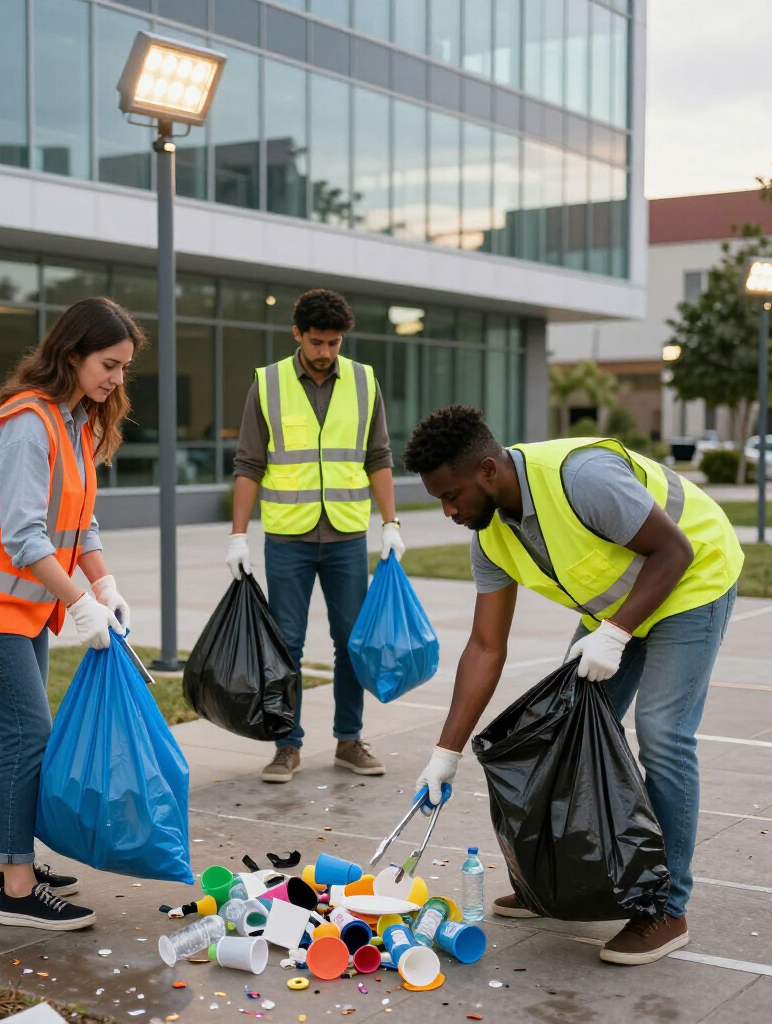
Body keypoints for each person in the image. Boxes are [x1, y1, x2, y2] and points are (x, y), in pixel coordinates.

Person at [404, 406, 742, 966]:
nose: (447, 511)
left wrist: (614, 634)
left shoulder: (580, 478)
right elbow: (486, 647)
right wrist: (445, 753)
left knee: (662, 735)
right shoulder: (489, 537)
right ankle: (561, 884)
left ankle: (665, 908)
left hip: (691, 581)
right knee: (558, 732)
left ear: (488, 471)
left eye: (451, 495)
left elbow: (675, 551)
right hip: (615, 606)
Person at [0, 297, 146, 931]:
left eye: (125, 367)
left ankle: (3, 864)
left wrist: (104, 585)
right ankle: (17, 895)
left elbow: (79, 518)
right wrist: (78, 602)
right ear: (71, 353)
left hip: (20, 604)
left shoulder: (71, 419)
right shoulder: (27, 424)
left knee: (8, 734)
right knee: (29, 734)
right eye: (108, 363)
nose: (116, 379)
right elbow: (25, 537)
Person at [228, 289, 405, 783]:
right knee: (287, 645)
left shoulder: (365, 381)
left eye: (335, 342)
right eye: (318, 341)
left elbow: (379, 457)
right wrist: (237, 536)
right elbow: (249, 463)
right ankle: (287, 746)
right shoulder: (268, 384)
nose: (327, 352)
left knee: (352, 642)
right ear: (297, 334)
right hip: (288, 538)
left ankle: (349, 740)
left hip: (347, 534)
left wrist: (391, 523)